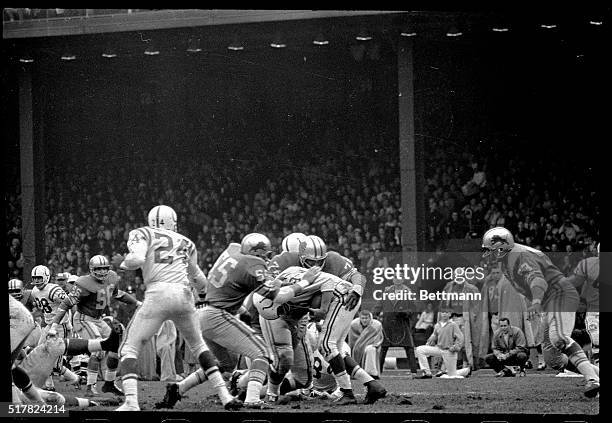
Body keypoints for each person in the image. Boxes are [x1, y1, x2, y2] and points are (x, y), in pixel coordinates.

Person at [160, 233, 319, 409]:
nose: (267, 258)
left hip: (204, 313)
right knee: (263, 354)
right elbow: (279, 297)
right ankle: (252, 398)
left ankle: (178, 388)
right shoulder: (252, 264)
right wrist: (305, 282)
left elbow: (230, 285)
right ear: (255, 252)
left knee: (226, 364)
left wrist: (242, 310)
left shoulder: (233, 250)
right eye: (264, 254)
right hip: (218, 316)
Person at [112, 205, 242, 411]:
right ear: (173, 221)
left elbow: (136, 259)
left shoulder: (142, 232)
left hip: (157, 293)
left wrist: (123, 263)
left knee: (129, 348)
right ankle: (225, 396)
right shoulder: (187, 242)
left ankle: (131, 401)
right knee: (199, 347)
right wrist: (201, 297)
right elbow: (199, 280)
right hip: (183, 294)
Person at [481, 227, 599, 397]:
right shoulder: (508, 259)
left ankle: (592, 380)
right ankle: (597, 375)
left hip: (559, 294)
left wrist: (535, 301)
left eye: (491, 251)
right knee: (554, 359)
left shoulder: (518, 257)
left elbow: (538, 280)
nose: (489, 255)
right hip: (548, 301)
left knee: (558, 338)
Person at [290, 236, 386, 405]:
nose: (317, 266)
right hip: (331, 304)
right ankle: (372, 384)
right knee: (337, 349)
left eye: (321, 261)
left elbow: (358, 276)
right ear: (301, 258)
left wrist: (357, 289)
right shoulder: (289, 264)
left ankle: (346, 392)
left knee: (326, 345)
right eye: (312, 261)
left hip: (343, 299)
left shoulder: (333, 259)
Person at [49, 256, 139, 397]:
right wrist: (54, 325)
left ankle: (109, 384)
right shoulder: (83, 283)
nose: (102, 271)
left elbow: (118, 294)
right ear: (91, 269)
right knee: (99, 351)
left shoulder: (112, 278)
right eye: (98, 269)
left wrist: (137, 303)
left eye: (105, 268)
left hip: (99, 319)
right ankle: (90, 387)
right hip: (84, 319)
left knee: (115, 347)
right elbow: (66, 304)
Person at [373, 278, 418, 375]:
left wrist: (405, 313)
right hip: (388, 323)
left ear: (403, 280)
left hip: (402, 323)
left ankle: (414, 372)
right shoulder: (386, 292)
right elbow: (378, 305)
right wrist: (374, 316)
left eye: (400, 278)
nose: (397, 280)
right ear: (393, 280)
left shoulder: (408, 292)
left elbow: (414, 309)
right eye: (395, 278)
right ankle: (378, 372)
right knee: (383, 348)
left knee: (409, 348)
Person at [414, 309, 470, 378]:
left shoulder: (453, 325)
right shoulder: (437, 325)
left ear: (449, 314)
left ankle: (466, 370)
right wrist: (430, 341)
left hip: (449, 351)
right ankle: (427, 373)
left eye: (446, 312)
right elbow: (434, 335)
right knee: (420, 349)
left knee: (451, 376)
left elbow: (460, 337)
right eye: (443, 312)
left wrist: (455, 347)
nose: (444, 314)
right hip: (439, 349)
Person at [348, 310, 383, 379]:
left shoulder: (376, 325)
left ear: (370, 318)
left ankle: (371, 373)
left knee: (370, 349)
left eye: (366, 318)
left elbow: (378, 339)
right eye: (362, 318)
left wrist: (366, 345)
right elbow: (351, 340)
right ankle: (356, 372)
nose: (364, 320)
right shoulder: (354, 324)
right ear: (359, 318)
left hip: (371, 345)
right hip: (356, 347)